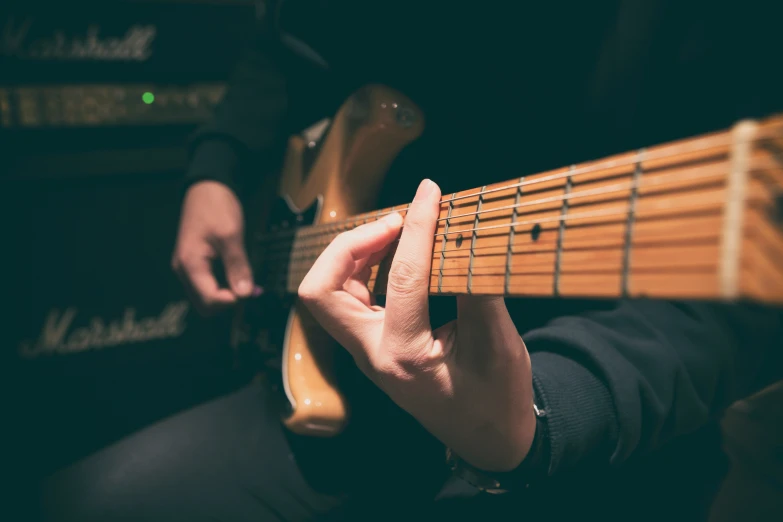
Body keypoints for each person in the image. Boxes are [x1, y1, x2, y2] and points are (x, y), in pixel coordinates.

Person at [40, 1, 782, 521]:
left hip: (591, 446)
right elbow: (287, 37)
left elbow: (735, 307)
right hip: (334, 405)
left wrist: (538, 415)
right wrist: (219, 163)